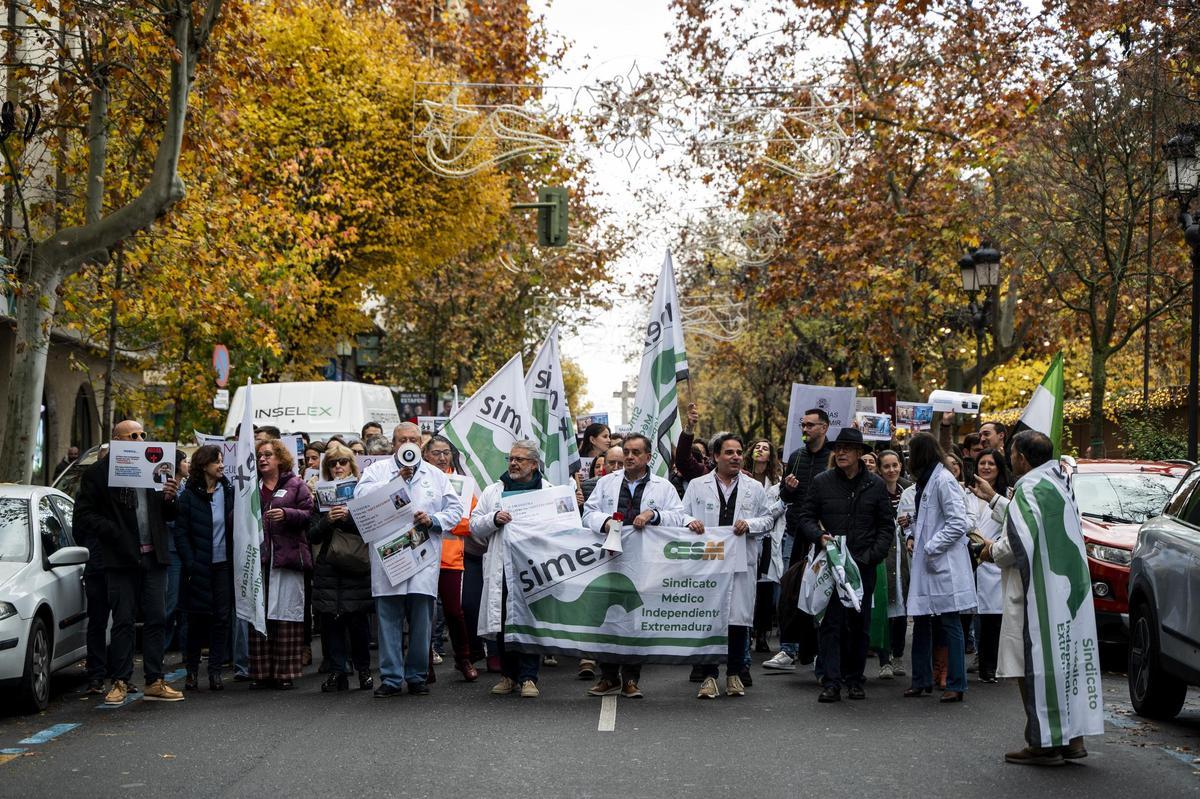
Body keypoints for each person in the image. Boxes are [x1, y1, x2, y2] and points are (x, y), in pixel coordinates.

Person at [980, 431, 1102, 765]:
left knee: (1028, 665)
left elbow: (1016, 546)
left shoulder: (1027, 488)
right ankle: (1073, 739)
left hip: (1034, 594)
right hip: (1064, 591)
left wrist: (989, 550)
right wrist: (994, 500)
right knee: (1066, 661)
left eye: (1012, 452)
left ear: (1020, 456)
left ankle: (1043, 744)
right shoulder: (1057, 481)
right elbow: (1038, 524)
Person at [74, 419, 185, 704]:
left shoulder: (156, 467)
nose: (139, 439)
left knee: (157, 618)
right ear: (117, 440)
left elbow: (169, 515)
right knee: (123, 620)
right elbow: (85, 515)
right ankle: (120, 681)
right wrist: (114, 532)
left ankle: (154, 680)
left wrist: (171, 498)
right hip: (121, 558)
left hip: (154, 556)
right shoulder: (99, 474)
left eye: (142, 435)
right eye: (132, 435)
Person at [355, 422, 462, 697]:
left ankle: (416, 675)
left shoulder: (435, 475)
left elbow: (455, 509)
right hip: (389, 555)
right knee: (388, 619)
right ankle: (391, 678)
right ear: (393, 444)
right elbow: (360, 498)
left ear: (420, 445)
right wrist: (397, 481)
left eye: (414, 440)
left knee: (421, 620)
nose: (408, 444)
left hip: (422, 557)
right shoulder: (376, 471)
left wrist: (434, 519)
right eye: (403, 440)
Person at [582, 433, 692, 699]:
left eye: (635, 453)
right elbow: (588, 512)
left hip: (644, 562)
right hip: (610, 561)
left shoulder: (663, 487)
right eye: (626, 452)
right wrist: (606, 521)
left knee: (635, 619)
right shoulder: (607, 483)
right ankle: (608, 677)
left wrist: (653, 515)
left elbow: (678, 516)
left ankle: (631, 678)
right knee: (609, 618)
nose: (629, 457)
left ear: (647, 457)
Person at [797, 428, 894, 702]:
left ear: (860, 453)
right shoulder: (821, 481)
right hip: (831, 566)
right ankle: (831, 681)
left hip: (862, 566)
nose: (840, 453)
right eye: (837, 448)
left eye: (847, 448)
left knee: (858, 625)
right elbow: (806, 517)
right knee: (830, 625)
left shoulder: (874, 484)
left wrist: (872, 555)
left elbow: (886, 525)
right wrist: (820, 537)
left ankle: (855, 679)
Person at [681, 434, 775, 699]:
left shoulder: (754, 488)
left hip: (740, 562)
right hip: (708, 562)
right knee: (709, 617)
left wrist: (751, 525)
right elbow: (681, 513)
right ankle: (709, 676)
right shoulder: (698, 485)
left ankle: (734, 673)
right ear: (716, 457)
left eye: (739, 452)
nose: (735, 457)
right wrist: (690, 521)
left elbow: (768, 519)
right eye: (729, 452)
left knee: (737, 620)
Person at [470, 440, 555, 698]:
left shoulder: (547, 491)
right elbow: (474, 525)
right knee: (504, 619)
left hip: (534, 566)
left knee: (530, 620)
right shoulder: (494, 491)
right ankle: (508, 675)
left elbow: (560, 527)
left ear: (533, 464)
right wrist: (493, 519)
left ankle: (529, 677)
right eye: (511, 458)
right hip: (502, 566)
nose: (513, 463)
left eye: (519, 459)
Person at [903, 432, 974, 703]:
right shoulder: (925, 481)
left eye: (911, 452)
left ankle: (957, 684)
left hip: (943, 564)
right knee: (921, 621)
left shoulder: (944, 480)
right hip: (928, 564)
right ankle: (921, 680)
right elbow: (927, 521)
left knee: (950, 623)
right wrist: (911, 532)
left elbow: (958, 523)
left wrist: (931, 547)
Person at [766, 408, 836, 672]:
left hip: (823, 538)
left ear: (824, 428)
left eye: (810, 425)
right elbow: (784, 496)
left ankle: (820, 651)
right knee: (790, 592)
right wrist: (788, 488)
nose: (805, 430)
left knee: (822, 595)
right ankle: (788, 649)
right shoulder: (796, 458)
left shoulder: (832, 457)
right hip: (796, 535)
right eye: (803, 425)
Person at [307, 441, 374, 693]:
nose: (338, 467)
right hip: (328, 565)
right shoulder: (317, 494)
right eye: (332, 463)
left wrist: (348, 519)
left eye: (343, 462)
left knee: (357, 620)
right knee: (330, 622)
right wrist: (327, 521)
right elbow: (311, 534)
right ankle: (337, 671)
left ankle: (364, 671)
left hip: (355, 563)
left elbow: (372, 528)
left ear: (351, 465)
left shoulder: (363, 491)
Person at [251, 438, 315, 689]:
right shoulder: (251, 486)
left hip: (287, 558)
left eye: (268, 454)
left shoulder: (295, 484)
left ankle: (284, 672)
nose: (263, 459)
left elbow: (309, 514)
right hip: (259, 559)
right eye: (259, 456)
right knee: (260, 613)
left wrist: (287, 514)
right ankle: (261, 672)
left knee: (286, 613)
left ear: (280, 458)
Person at [174, 445, 234, 691]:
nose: (221, 465)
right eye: (217, 461)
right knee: (196, 620)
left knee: (221, 619)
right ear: (204, 465)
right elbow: (181, 533)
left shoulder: (228, 491)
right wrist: (191, 562)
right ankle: (191, 672)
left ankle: (215, 672)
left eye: (222, 461)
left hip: (223, 566)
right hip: (197, 567)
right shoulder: (188, 496)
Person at [423, 435, 478, 682]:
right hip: (421, 558)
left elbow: (470, 521)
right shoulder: (418, 481)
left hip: (451, 559)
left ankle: (463, 659)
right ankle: (424, 663)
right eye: (436, 453)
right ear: (426, 455)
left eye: (446, 452)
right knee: (424, 614)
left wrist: (439, 523)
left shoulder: (462, 484)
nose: (442, 457)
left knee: (455, 612)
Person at [966, 448, 1011, 683]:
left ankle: (989, 667)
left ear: (999, 468)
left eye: (991, 464)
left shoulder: (1007, 496)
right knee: (968, 617)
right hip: (971, 557)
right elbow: (964, 520)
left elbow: (1012, 522)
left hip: (995, 560)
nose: (985, 467)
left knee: (994, 620)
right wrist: (976, 540)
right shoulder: (968, 493)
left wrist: (988, 546)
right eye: (981, 463)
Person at [873, 450, 912, 679]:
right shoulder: (875, 492)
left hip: (904, 557)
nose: (891, 470)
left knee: (901, 608)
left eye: (895, 465)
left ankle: (898, 656)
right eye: (886, 466)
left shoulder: (908, 492)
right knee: (884, 608)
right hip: (883, 555)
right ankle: (884, 659)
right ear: (880, 469)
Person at [745, 438, 784, 653]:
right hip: (745, 537)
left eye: (765, 448)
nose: (761, 450)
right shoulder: (741, 477)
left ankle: (761, 634)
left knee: (765, 591)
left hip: (768, 539)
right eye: (757, 447)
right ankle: (746, 632)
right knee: (746, 587)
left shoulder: (776, 482)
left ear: (770, 456)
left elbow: (777, 509)